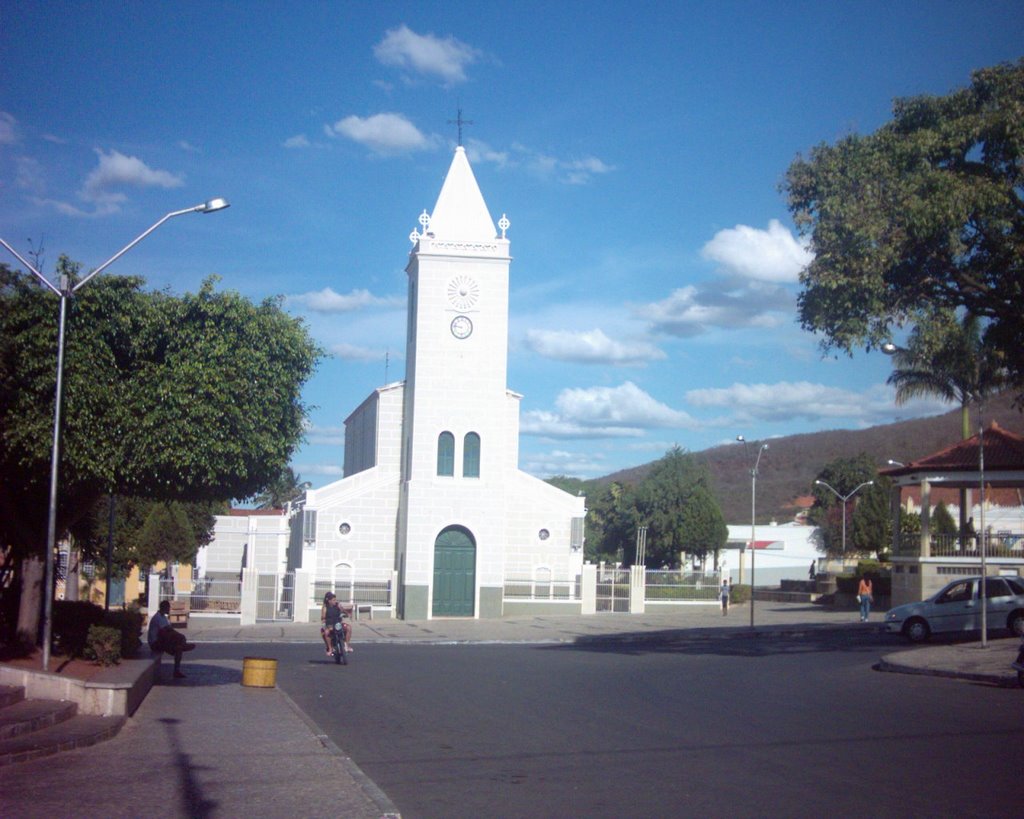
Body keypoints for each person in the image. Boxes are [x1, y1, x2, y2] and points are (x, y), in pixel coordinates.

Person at [147, 600, 195, 678]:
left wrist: (179, 636)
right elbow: (164, 632)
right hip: (155, 643)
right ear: (164, 608)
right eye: (168, 608)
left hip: (161, 640)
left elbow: (170, 629)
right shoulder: (158, 618)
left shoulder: (163, 617)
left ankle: (177, 669)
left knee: (178, 647)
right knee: (178, 647)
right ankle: (183, 646)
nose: (169, 609)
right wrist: (177, 637)